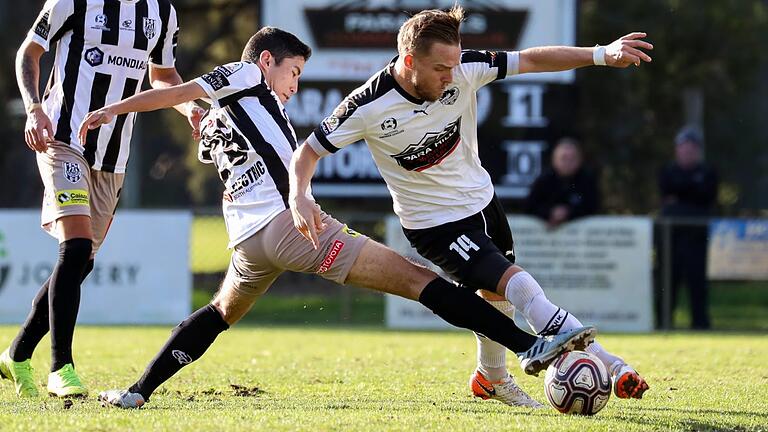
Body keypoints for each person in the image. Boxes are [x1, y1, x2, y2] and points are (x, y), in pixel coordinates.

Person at [78, 27, 595, 409]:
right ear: (265, 61)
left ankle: (136, 392)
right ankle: (532, 345)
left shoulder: (233, 111)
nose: (296, 84)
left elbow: (197, 107)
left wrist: (192, 113)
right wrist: (116, 110)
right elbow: (180, 89)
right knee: (422, 282)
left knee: (217, 314)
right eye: (293, 71)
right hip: (290, 227)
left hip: (247, 242)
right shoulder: (243, 75)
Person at [289, 6, 651, 407]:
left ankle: (490, 378)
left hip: (483, 202)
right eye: (441, 69)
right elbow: (307, 153)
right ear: (409, 61)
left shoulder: (465, 69)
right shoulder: (367, 106)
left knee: (498, 299)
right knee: (519, 283)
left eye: (455, 65)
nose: (450, 77)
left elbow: (530, 59)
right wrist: (300, 195)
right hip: (434, 225)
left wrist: (601, 54)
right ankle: (609, 363)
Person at [0, 0, 203, 398]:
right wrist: (34, 107)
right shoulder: (71, 2)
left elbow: (163, 77)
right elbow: (30, 50)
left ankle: (17, 354)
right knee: (74, 248)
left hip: (113, 157)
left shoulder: (162, 12)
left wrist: (190, 108)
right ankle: (61, 368)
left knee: (82, 263)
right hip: (61, 138)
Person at [658, 126, 718, 329]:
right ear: (677, 150)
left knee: (697, 283)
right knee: (667, 280)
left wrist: (681, 194)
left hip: (697, 238)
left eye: (692, 148)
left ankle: (700, 324)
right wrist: (691, 190)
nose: (687, 152)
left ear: (698, 151)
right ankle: (663, 322)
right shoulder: (667, 171)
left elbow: (707, 195)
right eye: (684, 148)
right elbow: (667, 190)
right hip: (670, 238)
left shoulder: (708, 172)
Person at [525, 137, 600, 228]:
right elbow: (530, 207)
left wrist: (569, 213)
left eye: (572, 158)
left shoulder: (587, 180)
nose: (568, 162)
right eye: (564, 158)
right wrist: (550, 213)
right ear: (554, 159)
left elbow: (593, 207)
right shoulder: (543, 181)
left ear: (580, 160)